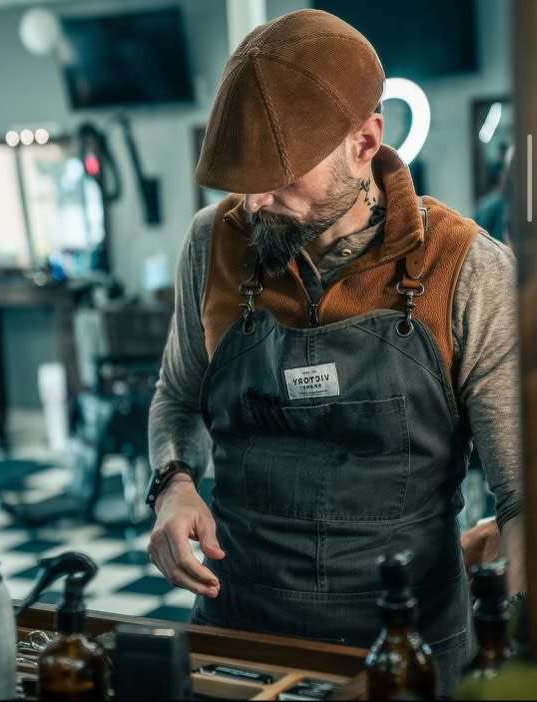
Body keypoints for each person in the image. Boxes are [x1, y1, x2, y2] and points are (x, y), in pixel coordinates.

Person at [146, 9, 524, 697]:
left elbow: (522, 499)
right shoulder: (214, 242)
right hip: (239, 637)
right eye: (246, 177)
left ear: (365, 141)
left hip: (407, 652)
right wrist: (172, 483)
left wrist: (510, 637)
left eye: (282, 175)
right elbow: (177, 394)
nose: (256, 201)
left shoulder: (462, 266)